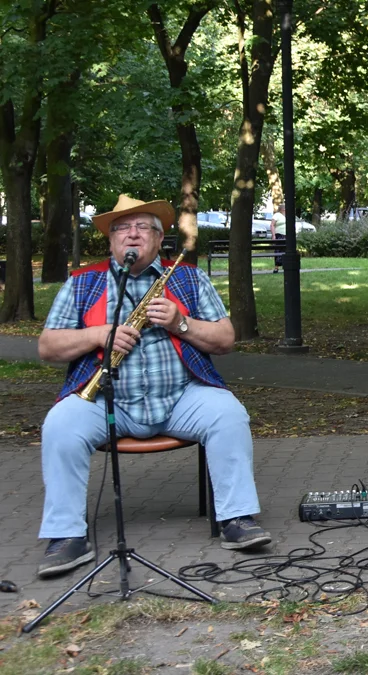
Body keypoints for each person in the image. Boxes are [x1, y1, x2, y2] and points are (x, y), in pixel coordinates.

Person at [36, 195, 271, 578]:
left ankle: (237, 519)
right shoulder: (82, 283)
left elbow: (226, 339)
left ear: (159, 239)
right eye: (121, 228)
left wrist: (181, 323)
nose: (131, 234)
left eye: (142, 226)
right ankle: (66, 537)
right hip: (107, 400)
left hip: (181, 396)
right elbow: (48, 347)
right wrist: (98, 334)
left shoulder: (188, 278)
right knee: (60, 426)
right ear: (111, 241)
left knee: (228, 414)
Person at [270, 208, 286, 273]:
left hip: (287, 235)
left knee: (286, 251)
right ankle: (276, 267)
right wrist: (273, 235)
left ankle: (286, 267)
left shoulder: (288, 215)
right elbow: (272, 225)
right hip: (279, 235)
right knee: (278, 250)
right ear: (282, 209)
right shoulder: (277, 215)